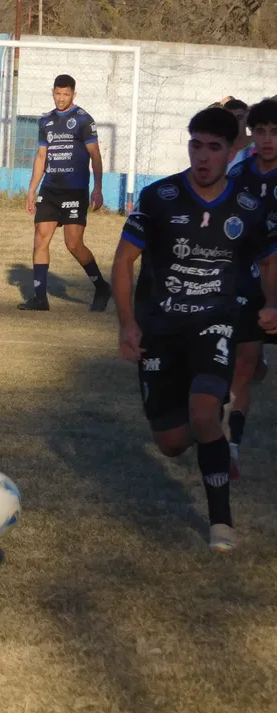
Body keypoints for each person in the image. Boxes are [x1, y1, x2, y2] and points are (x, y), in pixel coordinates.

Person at [111, 107, 277, 552]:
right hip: (161, 330)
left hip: (214, 324)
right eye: (196, 145)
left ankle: (221, 523)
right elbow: (125, 260)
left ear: (230, 152)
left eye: (214, 147)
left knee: (204, 412)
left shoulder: (249, 207)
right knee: (169, 444)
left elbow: (267, 259)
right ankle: (209, 426)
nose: (202, 156)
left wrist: (273, 301)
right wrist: (128, 324)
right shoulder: (158, 197)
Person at [21, 74, 110, 312]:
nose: (61, 98)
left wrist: (98, 188)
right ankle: (40, 299)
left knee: (73, 244)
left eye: (66, 94)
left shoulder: (83, 120)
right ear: (53, 92)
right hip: (49, 189)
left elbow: (96, 155)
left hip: (75, 190)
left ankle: (101, 286)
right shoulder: (46, 121)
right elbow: (41, 157)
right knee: (40, 237)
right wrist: (32, 190)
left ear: (74, 94)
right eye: (58, 93)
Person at [223, 98, 277, 478]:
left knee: (252, 365)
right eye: (261, 131)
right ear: (251, 134)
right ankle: (232, 447)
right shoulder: (238, 174)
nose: (268, 139)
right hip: (253, 281)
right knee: (242, 367)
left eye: (275, 132)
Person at [223, 99, 254, 168]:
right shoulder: (219, 150)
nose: (235, 123)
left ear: (247, 118)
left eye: (239, 117)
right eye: (229, 119)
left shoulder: (260, 145)